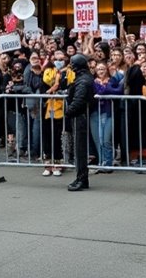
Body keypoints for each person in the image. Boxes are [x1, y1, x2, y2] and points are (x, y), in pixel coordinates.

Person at [64, 54, 94, 191]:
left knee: (80, 150)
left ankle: (82, 179)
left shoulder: (83, 80)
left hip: (79, 117)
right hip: (79, 116)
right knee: (79, 149)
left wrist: (68, 111)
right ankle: (81, 178)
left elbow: (79, 100)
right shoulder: (83, 78)